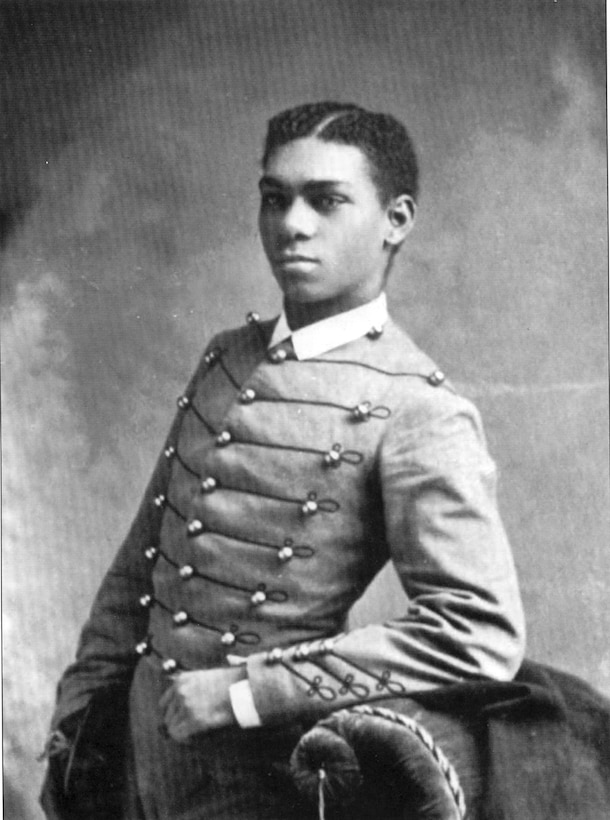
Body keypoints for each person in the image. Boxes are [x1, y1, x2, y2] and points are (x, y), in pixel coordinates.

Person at [41, 101, 525, 820]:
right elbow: (143, 561)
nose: (292, 224)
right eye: (276, 198)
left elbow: (478, 631)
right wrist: (78, 716)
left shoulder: (419, 409)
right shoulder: (227, 355)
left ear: (396, 220)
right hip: (134, 757)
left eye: (327, 201)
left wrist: (247, 693)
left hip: (263, 775)